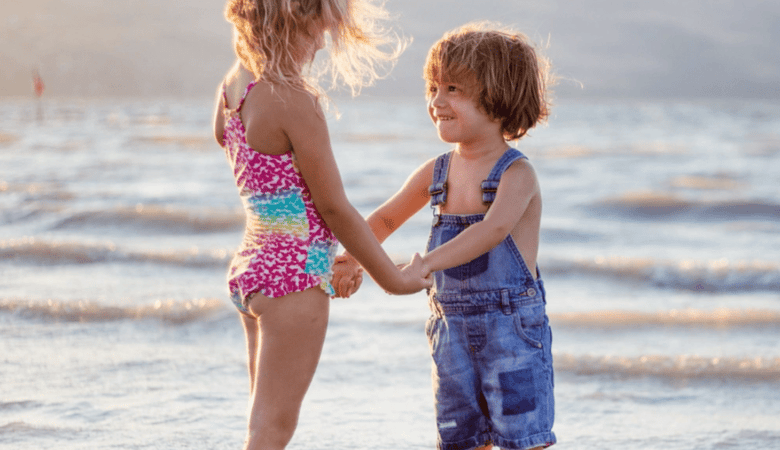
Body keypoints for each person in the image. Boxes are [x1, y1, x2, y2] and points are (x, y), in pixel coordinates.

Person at [212, 1, 430, 449]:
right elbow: (334, 209)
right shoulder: (293, 101)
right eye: (319, 34)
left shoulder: (234, 88)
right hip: (293, 281)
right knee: (271, 431)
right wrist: (395, 279)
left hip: (251, 271)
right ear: (293, 21)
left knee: (260, 423)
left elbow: (230, 143)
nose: (320, 46)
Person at [333, 22, 557, 450]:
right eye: (432, 89)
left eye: (452, 88)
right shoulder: (437, 171)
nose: (436, 101)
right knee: (460, 438)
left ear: (498, 96)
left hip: (511, 331)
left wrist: (427, 264)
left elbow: (491, 232)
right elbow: (383, 220)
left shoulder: (517, 173)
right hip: (451, 332)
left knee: (522, 438)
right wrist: (351, 257)